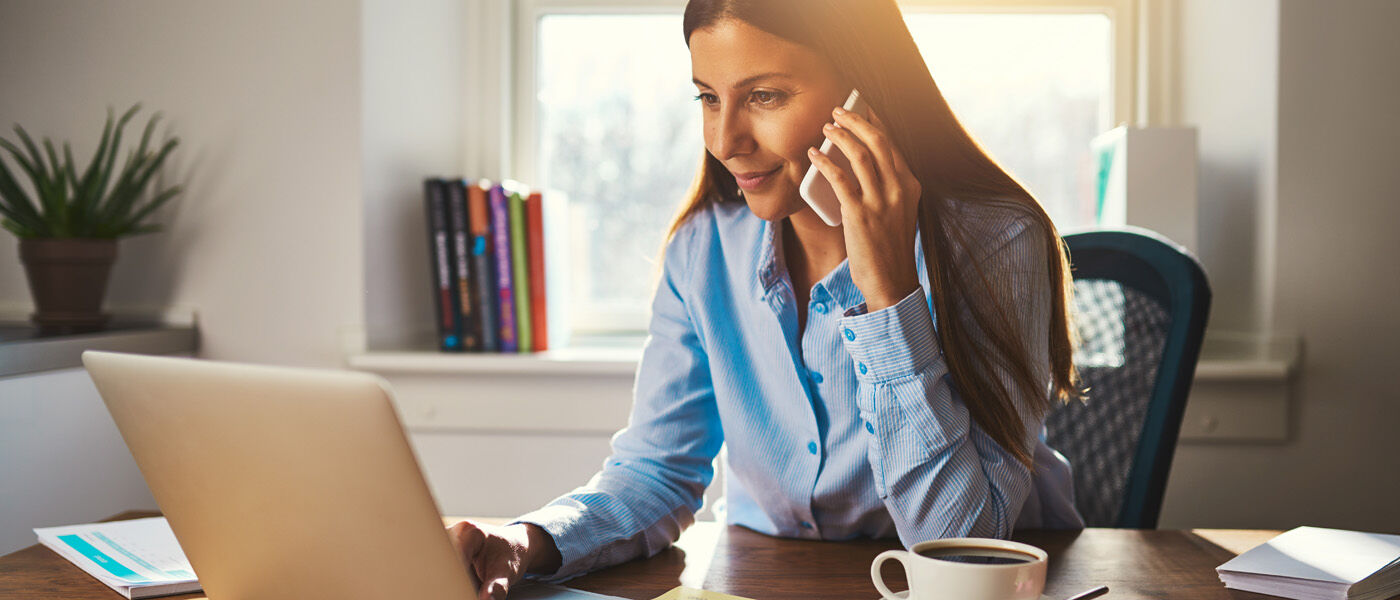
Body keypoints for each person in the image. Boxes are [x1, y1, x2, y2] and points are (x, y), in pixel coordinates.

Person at [447, 0, 1085, 597]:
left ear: (865, 94)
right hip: (763, 580)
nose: (726, 141)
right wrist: (526, 539)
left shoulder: (998, 244)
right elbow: (656, 473)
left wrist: (890, 292)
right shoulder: (703, 251)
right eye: (707, 97)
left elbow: (961, 547)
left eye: (765, 96)